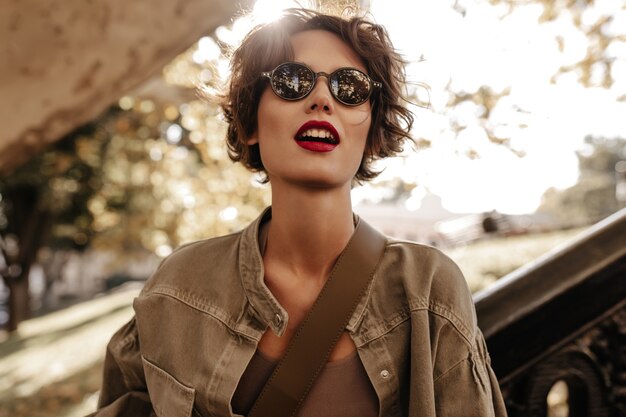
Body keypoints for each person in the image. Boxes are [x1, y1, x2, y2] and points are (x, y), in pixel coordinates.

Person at [90, 7, 508, 417]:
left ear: (373, 134)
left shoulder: (429, 290)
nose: (323, 99)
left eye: (350, 88)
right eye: (293, 81)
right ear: (250, 124)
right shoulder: (177, 290)